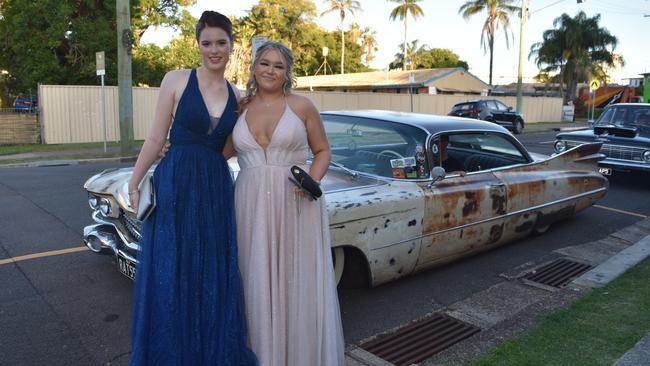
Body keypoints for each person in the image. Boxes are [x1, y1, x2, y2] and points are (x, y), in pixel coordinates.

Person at [126, 11, 258, 365]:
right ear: (197, 45)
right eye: (206, 43)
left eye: (221, 43)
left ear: (232, 46)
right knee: (172, 267)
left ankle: (207, 350)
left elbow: (235, 146)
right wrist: (135, 180)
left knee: (211, 271)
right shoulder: (176, 80)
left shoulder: (239, 95)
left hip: (215, 188)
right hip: (176, 183)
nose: (214, 50)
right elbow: (156, 137)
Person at [228, 41, 346, 365]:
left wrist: (313, 182)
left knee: (295, 281)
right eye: (264, 63)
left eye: (278, 66)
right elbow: (219, 152)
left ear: (287, 72)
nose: (270, 70)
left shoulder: (302, 106)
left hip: (296, 202)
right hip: (249, 206)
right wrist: (177, 146)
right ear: (254, 67)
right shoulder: (240, 107)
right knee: (254, 278)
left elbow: (322, 151)